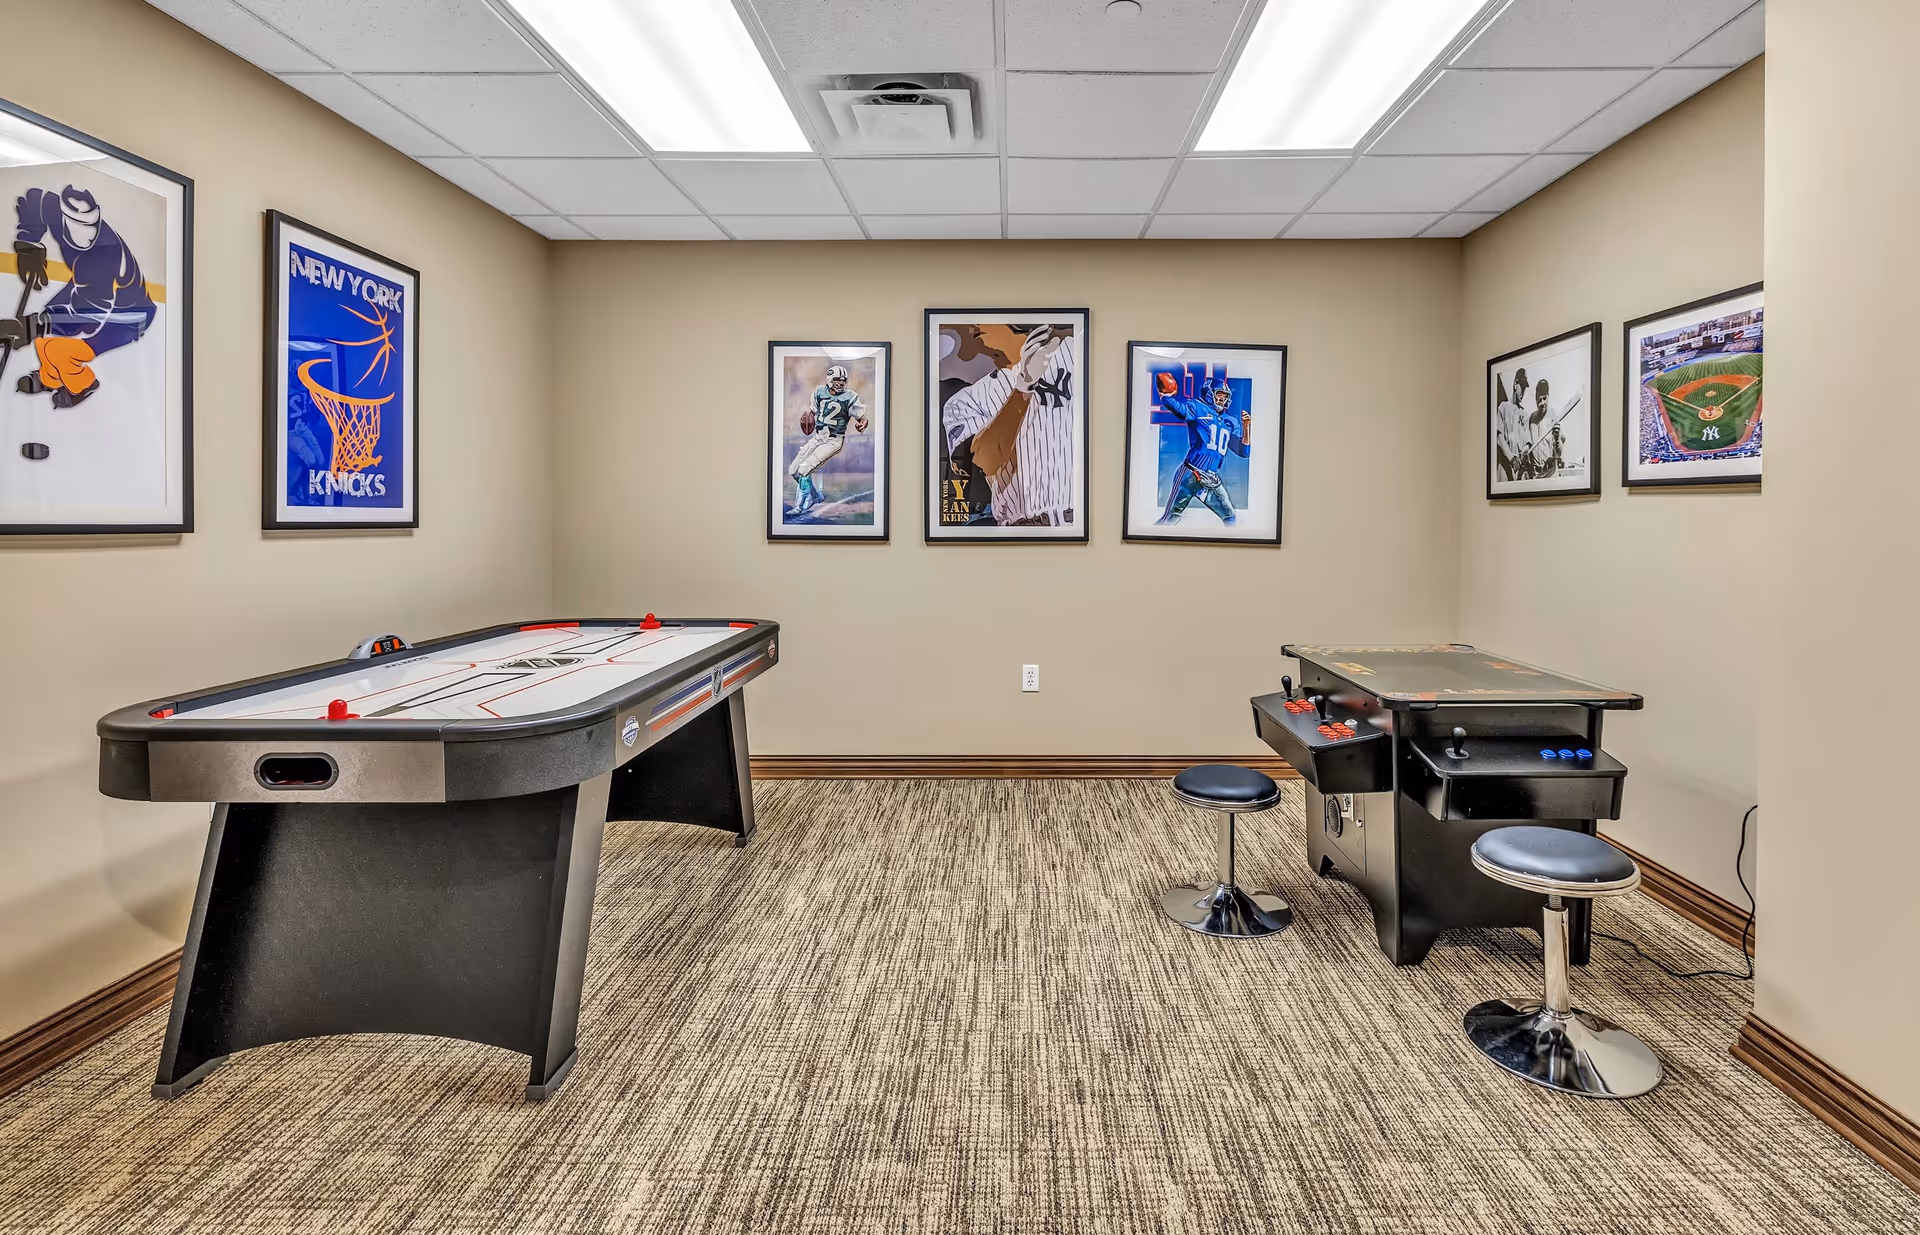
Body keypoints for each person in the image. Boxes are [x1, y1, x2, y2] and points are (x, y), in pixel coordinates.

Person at [2, 186, 157, 409]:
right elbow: (35, 200)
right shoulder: (55, 212)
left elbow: (89, 316)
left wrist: (36, 325)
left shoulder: (104, 254)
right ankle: (50, 378)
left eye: (90, 225)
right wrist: (29, 244)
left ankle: (83, 384)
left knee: (59, 348)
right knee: (45, 336)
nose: (86, 234)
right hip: (87, 287)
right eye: (76, 224)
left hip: (128, 315)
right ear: (63, 217)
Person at [940, 325, 1076, 527]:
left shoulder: (1082, 362)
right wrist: (1023, 388)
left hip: (1087, 527)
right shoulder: (964, 401)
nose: (975, 328)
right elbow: (980, 463)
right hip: (1024, 531)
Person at [1153, 373, 1249, 525]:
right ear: (1209, 393)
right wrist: (1166, 396)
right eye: (1219, 394)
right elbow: (1180, 410)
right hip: (1190, 473)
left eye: (1225, 396)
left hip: (1211, 478)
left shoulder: (1229, 421)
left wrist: (1246, 427)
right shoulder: (1198, 407)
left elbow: (1243, 452)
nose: (1222, 399)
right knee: (1171, 517)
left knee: (1230, 516)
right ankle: (1150, 542)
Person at [789, 364, 866, 514]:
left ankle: (800, 506)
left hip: (833, 440)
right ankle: (815, 496)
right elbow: (812, 411)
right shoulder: (819, 392)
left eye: (843, 380)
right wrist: (807, 417)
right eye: (837, 380)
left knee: (804, 469)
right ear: (830, 380)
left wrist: (862, 423)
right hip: (818, 437)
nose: (840, 383)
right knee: (793, 470)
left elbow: (862, 418)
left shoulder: (850, 396)